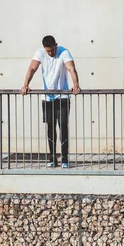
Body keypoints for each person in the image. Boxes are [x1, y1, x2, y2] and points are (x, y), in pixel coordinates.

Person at [20, 35, 80, 168]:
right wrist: (25, 85)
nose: (51, 53)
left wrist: (76, 84)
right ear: (44, 49)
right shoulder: (40, 53)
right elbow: (32, 68)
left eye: (52, 50)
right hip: (47, 97)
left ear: (56, 45)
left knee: (63, 127)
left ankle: (64, 158)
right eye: (48, 51)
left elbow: (71, 68)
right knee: (50, 127)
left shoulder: (64, 52)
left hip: (63, 96)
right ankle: (52, 158)